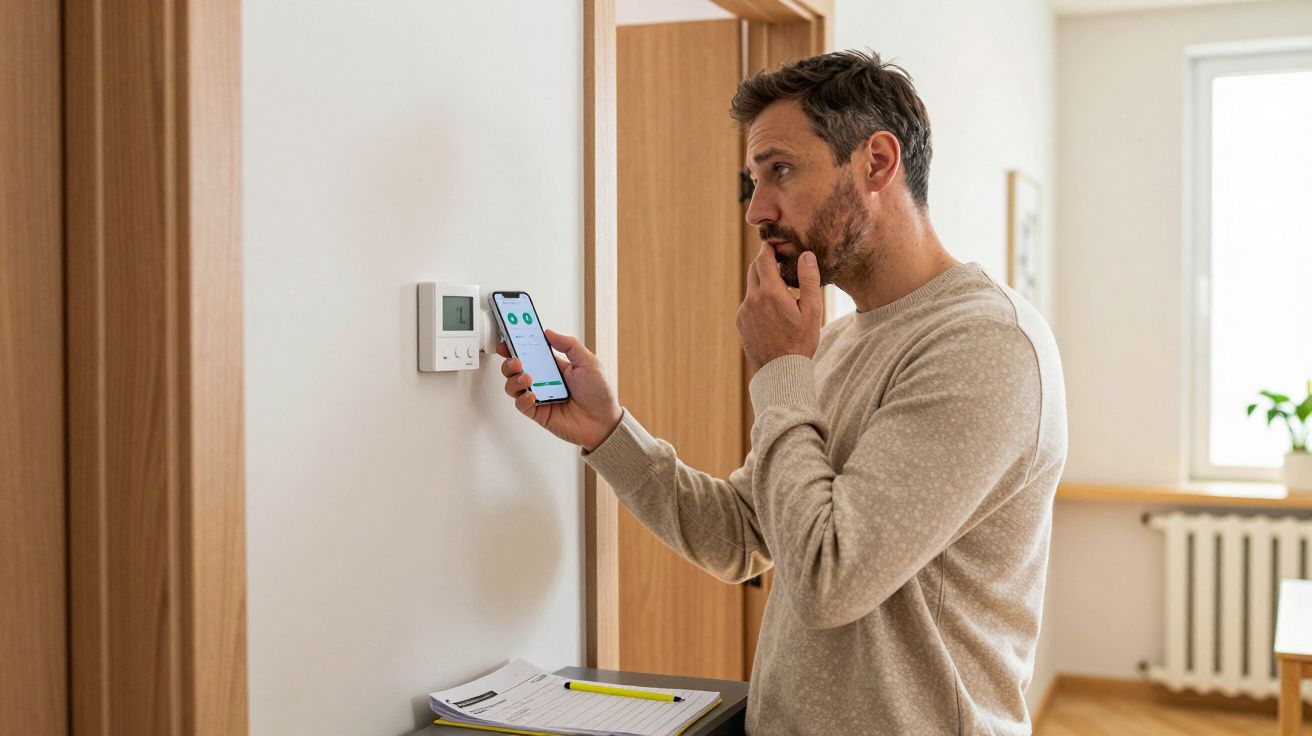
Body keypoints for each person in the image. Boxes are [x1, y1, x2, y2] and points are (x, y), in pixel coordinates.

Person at [497, 49, 1067, 735]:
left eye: (781, 171)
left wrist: (779, 370)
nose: (756, 209)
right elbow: (744, 534)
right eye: (753, 179)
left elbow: (831, 576)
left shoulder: (985, 346)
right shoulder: (834, 341)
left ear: (877, 164)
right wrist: (609, 432)